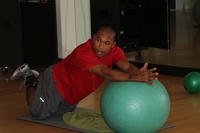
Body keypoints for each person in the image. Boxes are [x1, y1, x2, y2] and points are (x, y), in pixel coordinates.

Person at [10, 25, 159, 120]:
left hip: (72, 94)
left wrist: (140, 73)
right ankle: (31, 78)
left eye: (106, 43)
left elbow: (126, 66)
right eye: (98, 40)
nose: (101, 46)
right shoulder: (84, 52)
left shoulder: (115, 52)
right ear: (93, 38)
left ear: (113, 45)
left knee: (59, 115)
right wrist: (135, 77)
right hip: (56, 82)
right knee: (37, 112)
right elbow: (105, 72)